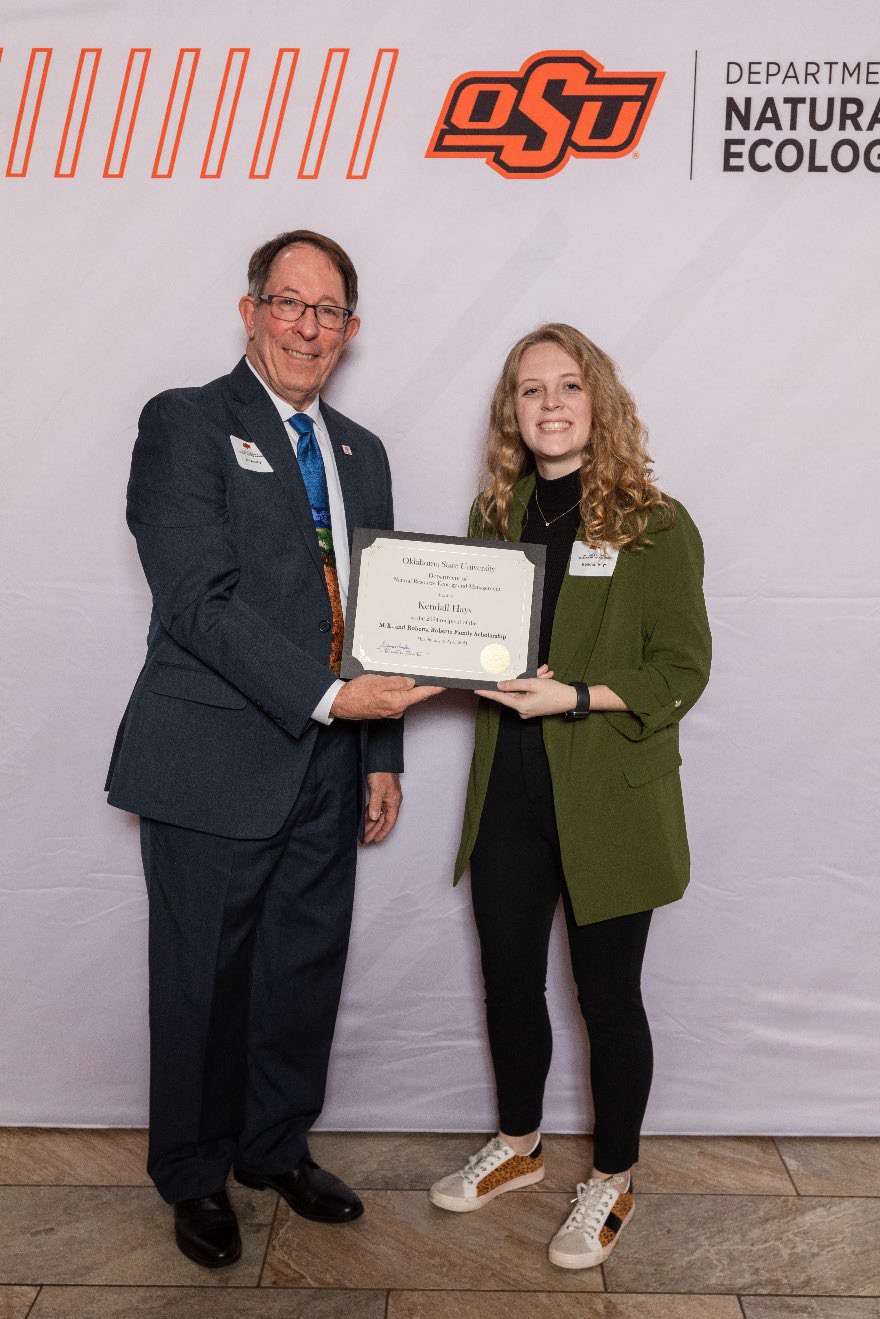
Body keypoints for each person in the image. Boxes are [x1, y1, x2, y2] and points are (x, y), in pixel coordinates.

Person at [106, 229, 439, 1267]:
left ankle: (273, 1145)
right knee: (203, 980)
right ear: (250, 310)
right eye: (288, 303)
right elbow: (197, 602)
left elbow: (378, 617)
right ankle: (197, 1174)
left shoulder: (362, 452)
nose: (306, 325)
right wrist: (335, 696)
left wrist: (377, 747)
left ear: (349, 330)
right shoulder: (186, 423)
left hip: (330, 765)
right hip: (212, 760)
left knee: (302, 969)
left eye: (327, 309)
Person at [428, 323, 711, 1270]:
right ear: (512, 412)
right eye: (528, 390)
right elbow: (472, 639)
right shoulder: (493, 516)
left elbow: (682, 669)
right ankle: (518, 1144)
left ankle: (615, 1174)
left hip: (609, 794)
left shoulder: (655, 522)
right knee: (507, 980)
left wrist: (577, 694)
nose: (548, 405)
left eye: (566, 387)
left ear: (601, 403)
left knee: (606, 994)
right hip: (509, 785)